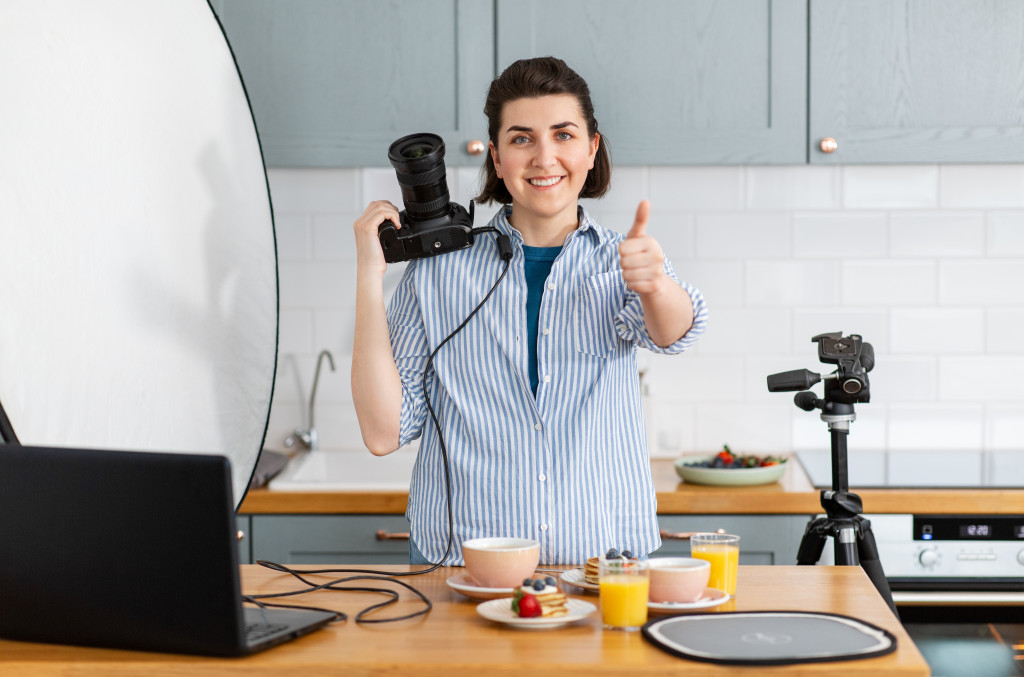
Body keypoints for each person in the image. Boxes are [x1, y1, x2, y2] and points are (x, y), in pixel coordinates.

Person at [352, 56, 707, 567]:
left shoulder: (622, 259)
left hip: (603, 563)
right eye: (522, 139)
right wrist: (369, 275)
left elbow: (673, 331)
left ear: (591, 149)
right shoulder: (437, 273)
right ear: (497, 159)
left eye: (563, 135)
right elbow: (384, 433)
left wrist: (656, 285)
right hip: (464, 564)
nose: (544, 157)